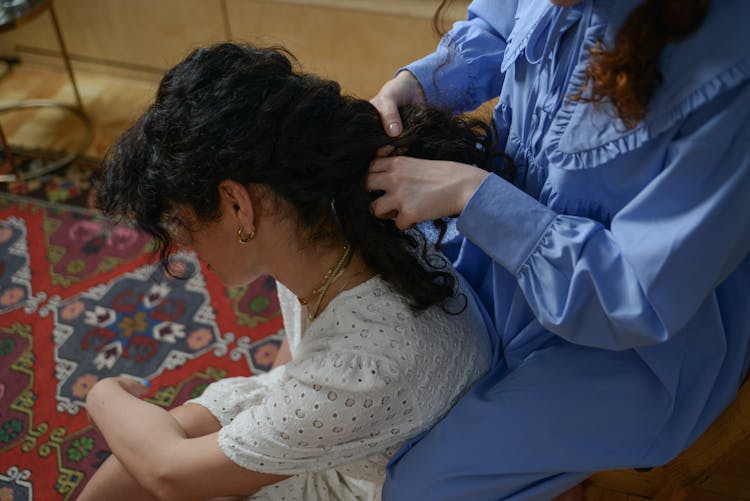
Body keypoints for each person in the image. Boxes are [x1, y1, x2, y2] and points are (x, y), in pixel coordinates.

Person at [78, 42, 496, 501]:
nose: (186, 245)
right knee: (140, 459)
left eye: (181, 221)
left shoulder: (361, 366)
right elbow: (309, 346)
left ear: (238, 204)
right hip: (345, 416)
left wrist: (102, 394)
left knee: (150, 461)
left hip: (360, 478)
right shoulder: (333, 220)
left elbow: (168, 472)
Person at [368, 0, 750, 499]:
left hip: (634, 349)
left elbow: (639, 296)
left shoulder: (732, 69)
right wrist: (418, 87)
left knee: (419, 488)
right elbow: (499, 29)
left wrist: (472, 195)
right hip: (499, 259)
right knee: (366, 367)